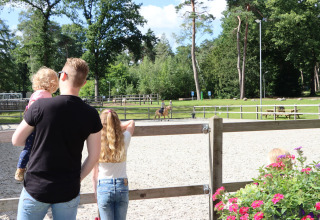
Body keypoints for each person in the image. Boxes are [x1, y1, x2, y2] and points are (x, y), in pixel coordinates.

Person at [12, 58, 103, 220]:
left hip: (36, 188)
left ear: (63, 76)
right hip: (68, 189)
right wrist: (78, 178)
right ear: (83, 83)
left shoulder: (40, 106)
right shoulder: (91, 114)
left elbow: (16, 140)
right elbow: (95, 155)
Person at [15, 67, 59, 182]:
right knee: (29, 147)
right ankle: (21, 168)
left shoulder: (40, 93)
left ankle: (28, 167)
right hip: (36, 126)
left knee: (33, 148)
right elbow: (36, 110)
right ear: (52, 83)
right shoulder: (42, 94)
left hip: (37, 125)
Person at [92, 109, 135, 220]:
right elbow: (131, 122)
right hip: (122, 185)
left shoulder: (97, 144)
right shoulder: (124, 139)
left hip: (104, 186)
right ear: (117, 123)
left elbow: (94, 176)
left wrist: (96, 194)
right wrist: (117, 126)